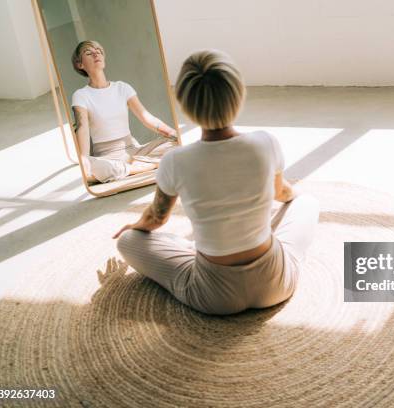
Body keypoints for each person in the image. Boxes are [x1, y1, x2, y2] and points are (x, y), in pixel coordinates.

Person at [113, 50, 320, 315]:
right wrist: (291, 198)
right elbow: (282, 192)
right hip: (276, 286)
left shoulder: (175, 161)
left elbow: (156, 219)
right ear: (238, 95)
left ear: (185, 105)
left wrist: (135, 227)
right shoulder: (265, 143)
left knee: (127, 241)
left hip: (213, 298)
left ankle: (197, 249)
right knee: (307, 201)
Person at [71, 40, 177, 184]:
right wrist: (84, 158)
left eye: (99, 50)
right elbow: (82, 127)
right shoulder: (81, 95)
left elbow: (147, 117)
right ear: (80, 64)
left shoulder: (122, 88)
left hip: (133, 151)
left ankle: (132, 168)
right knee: (98, 167)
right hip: (107, 157)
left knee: (175, 144)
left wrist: (174, 134)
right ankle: (151, 165)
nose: (96, 53)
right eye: (88, 52)